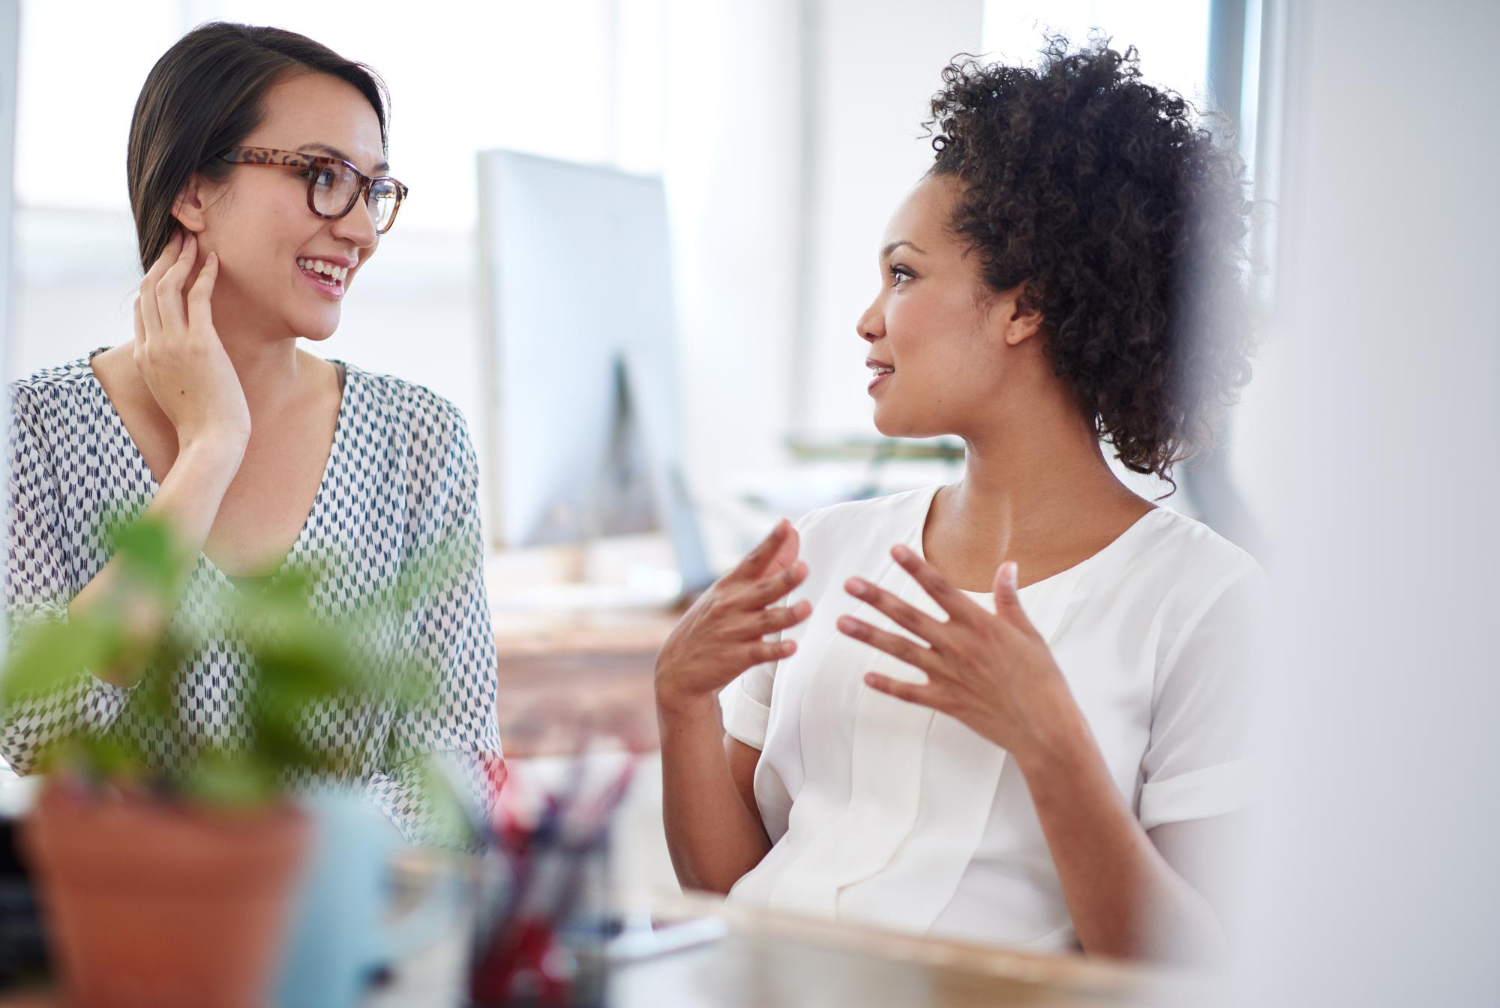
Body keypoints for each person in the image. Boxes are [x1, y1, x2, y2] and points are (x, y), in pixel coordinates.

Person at [655, 38, 1260, 962]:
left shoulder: (1206, 602)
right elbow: (724, 891)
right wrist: (681, 701)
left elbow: (1195, 968)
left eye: (903, 274)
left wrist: (1052, 746)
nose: (868, 319)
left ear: (1026, 308)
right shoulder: (821, 553)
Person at [1, 23, 502, 843]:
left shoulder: (419, 440)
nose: (362, 230)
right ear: (193, 188)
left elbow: (457, 779)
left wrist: (255, 853)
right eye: (321, 177)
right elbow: (38, 727)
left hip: (352, 932)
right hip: (128, 936)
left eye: (372, 190)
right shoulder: (33, 430)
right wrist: (208, 452)